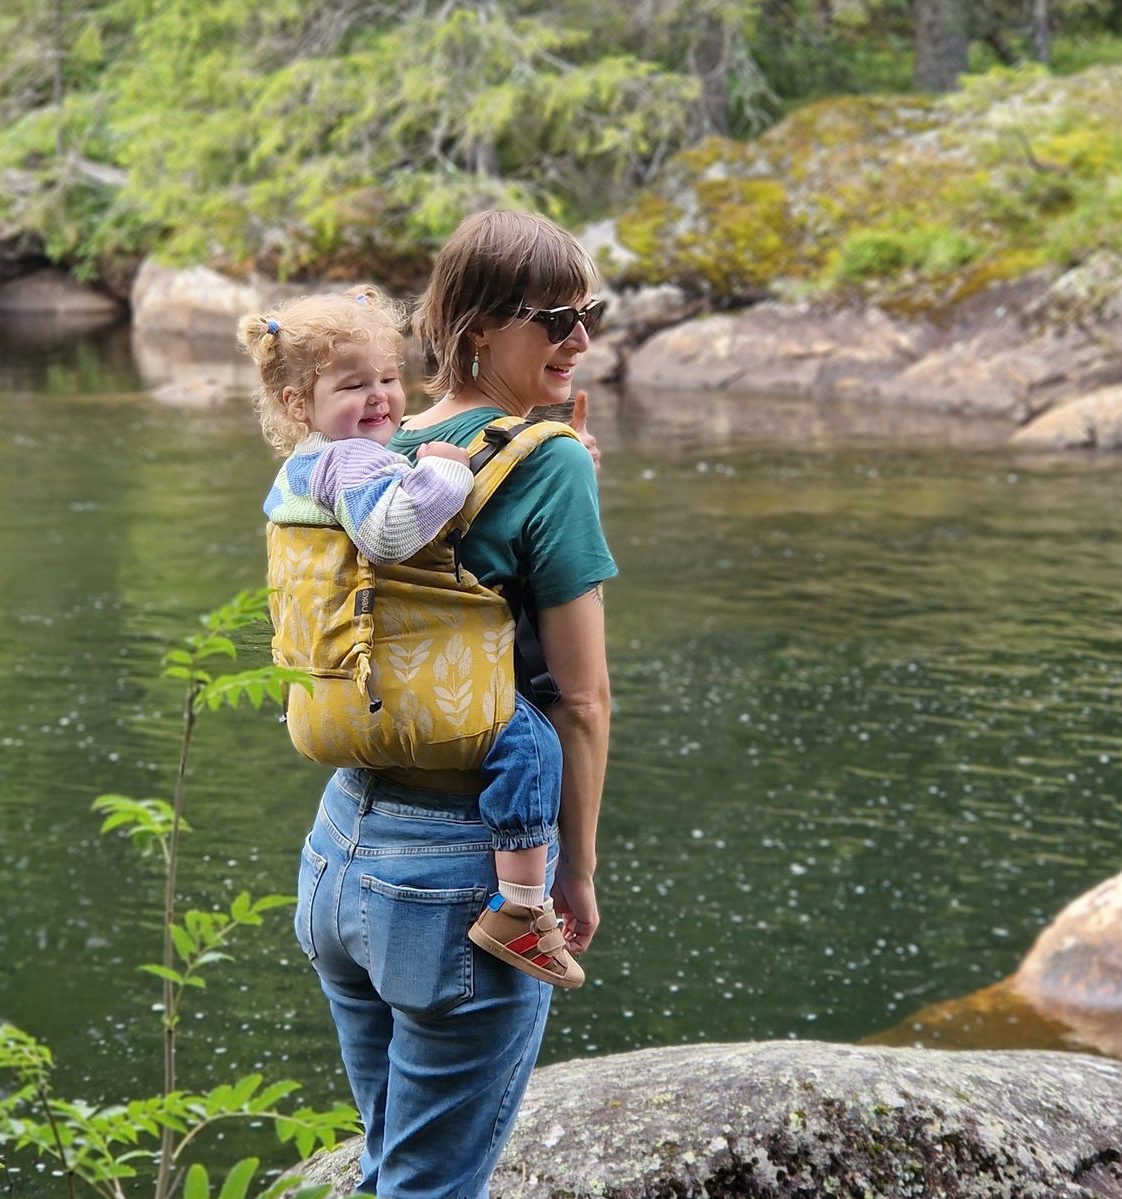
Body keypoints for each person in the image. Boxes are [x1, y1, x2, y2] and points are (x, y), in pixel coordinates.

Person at [289, 211, 614, 1199]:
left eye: (589, 313)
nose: (581, 340)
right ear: (475, 328)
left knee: (392, 1164)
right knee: (428, 1186)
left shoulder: (383, 441)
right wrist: (575, 872)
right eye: (554, 317)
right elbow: (583, 697)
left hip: (339, 856)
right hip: (459, 879)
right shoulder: (545, 459)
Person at [241, 285, 583, 989]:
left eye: (390, 379)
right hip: (417, 707)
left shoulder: (302, 467)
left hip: (342, 778)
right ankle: (520, 904)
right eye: (353, 385)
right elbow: (391, 533)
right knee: (530, 741)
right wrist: (444, 471)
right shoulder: (354, 461)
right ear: (297, 405)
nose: (381, 401)